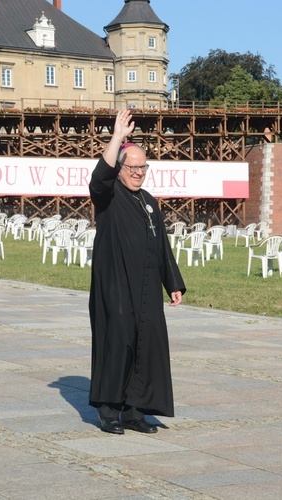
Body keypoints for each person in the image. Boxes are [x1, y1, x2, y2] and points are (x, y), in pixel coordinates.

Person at [88, 109, 186, 434]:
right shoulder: (108, 195)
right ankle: (109, 409)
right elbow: (98, 177)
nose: (139, 173)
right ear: (120, 168)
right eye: (133, 167)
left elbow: (162, 246)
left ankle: (133, 410)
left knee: (145, 343)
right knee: (118, 343)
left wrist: (172, 282)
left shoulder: (148, 202)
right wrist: (116, 137)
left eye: (143, 167)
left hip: (145, 289)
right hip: (115, 286)